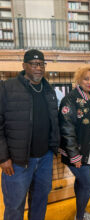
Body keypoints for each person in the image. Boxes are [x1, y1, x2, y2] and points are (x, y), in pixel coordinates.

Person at [0, 49, 60, 220]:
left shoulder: (48, 90)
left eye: (41, 64)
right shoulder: (7, 88)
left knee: (40, 202)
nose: (38, 68)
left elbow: (53, 122)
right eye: (34, 64)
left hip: (45, 159)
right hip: (17, 162)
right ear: (24, 65)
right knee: (14, 206)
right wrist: (3, 157)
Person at [59, 67, 90, 220]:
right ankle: (80, 217)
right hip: (78, 154)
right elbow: (66, 128)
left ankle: (81, 213)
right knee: (88, 183)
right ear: (78, 80)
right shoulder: (70, 99)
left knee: (81, 183)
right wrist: (74, 155)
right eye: (86, 79)